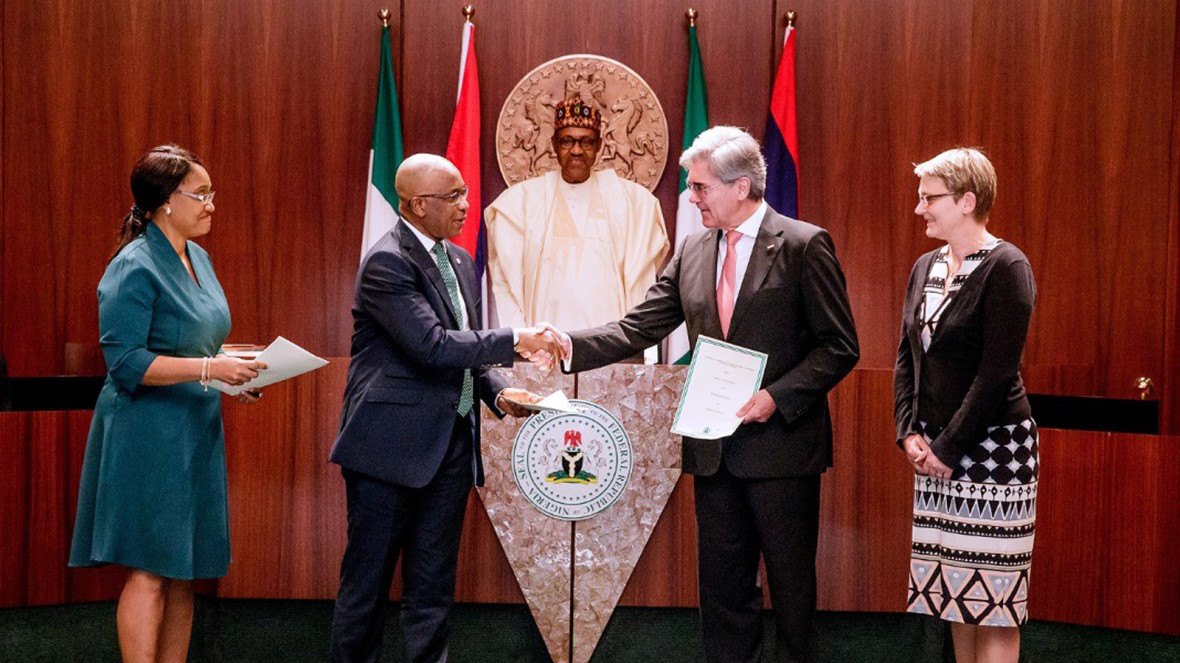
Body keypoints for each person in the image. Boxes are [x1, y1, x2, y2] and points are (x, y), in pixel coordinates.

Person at [544, 126, 859, 662]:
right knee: (721, 593)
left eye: (701, 187)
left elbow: (839, 346)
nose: (692, 199)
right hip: (713, 454)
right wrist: (564, 342)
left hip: (781, 448)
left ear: (741, 187)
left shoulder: (805, 245)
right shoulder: (692, 250)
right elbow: (637, 328)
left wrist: (776, 397)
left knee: (791, 590)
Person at [328, 154, 561, 663]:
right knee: (366, 589)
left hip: (449, 446)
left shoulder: (458, 261)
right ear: (416, 205)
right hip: (387, 452)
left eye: (464, 192)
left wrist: (499, 391)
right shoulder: (388, 261)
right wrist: (518, 338)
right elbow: (432, 346)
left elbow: (464, 351)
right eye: (453, 196)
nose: (466, 204)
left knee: (432, 590)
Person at [69, 145, 266, 663]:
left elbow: (195, 342)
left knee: (184, 572)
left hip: (195, 424)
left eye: (211, 193)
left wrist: (231, 374)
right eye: (200, 194)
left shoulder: (197, 256)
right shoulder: (132, 265)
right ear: (162, 201)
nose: (210, 205)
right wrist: (209, 369)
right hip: (146, 431)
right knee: (150, 570)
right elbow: (127, 362)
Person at [894, 148, 1037, 663]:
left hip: (994, 452)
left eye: (929, 198)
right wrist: (907, 431)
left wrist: (947, 448)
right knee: (956, 595)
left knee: (995, 602)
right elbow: (907, 357)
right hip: (933, 450)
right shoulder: (924, 266)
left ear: (967, 201)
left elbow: (997, 372)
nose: (920, 209)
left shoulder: (1007, 266)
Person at [485, 93, 669, 331]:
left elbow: (643, 282)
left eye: (586, 142)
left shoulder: (633, 203)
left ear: (599, 146)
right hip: (544, 343)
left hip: (610, 341)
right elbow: (506, 282)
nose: (576, 150)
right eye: (567, 141)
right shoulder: (521, 203)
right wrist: (522, 340)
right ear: (553, 145)